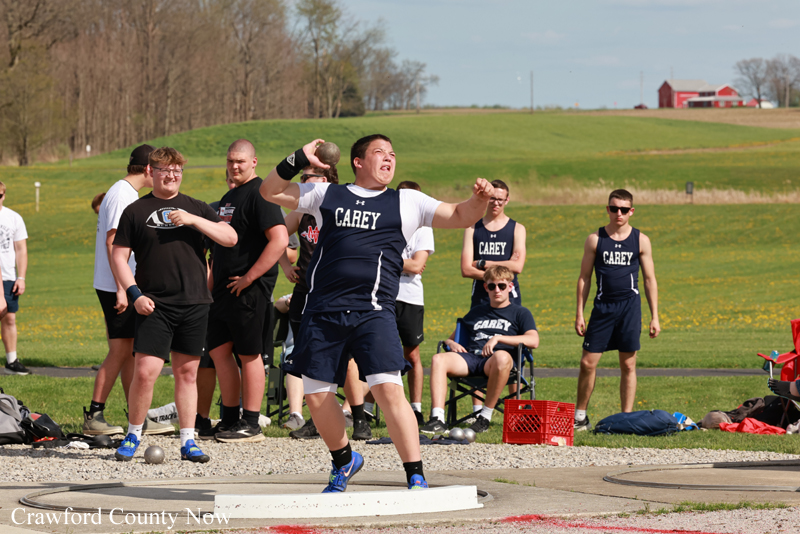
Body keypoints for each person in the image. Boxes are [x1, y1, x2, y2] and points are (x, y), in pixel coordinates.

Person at [260, 134, 494, 492]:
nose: (389, 159)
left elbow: (461, 215)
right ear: (357, 161)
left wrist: (478, 200)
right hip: (323, 310)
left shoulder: (408, 201)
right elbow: (270, 191)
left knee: (388, 390)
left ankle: (415, 473)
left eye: (393, 154)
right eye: (379, 153)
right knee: (317, 394)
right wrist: (297, 157)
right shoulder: (327, 195)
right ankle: (344, 459)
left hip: (373, 312)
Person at [110, 147, 237, 463]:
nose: (172, 176)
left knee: (187, 374)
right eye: (165, 170)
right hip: (154, 304)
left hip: (194, 303)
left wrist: (194, 219)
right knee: (145, 372)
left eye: (177, 170)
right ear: (151, 172)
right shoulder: (136, 211)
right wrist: (134, 293)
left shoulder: (196, 207)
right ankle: (133, 434)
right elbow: (118, 255)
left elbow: (230, 237)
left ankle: (188, 440)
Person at [84, 145, 174, 436]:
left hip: (118, 284)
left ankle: (136, 415)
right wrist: (124, 290)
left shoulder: (123, 192)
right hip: (116, 286)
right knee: (120, 350)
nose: (162, 174)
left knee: (130, 353)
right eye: (158, 169)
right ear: (148, 169)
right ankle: (94, 416)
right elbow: (114, 243)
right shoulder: (123, 195)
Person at [204, 139, 288, 443]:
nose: (234, 166)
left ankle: (250, 422)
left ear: (254, 162)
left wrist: (250, 278)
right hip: (223, 290)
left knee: (249, 354)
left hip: (248, 288)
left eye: (240, 161)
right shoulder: (230, 196)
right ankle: (229, 418)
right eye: (230, 160)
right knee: (219, 351)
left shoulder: (261, 194)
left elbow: (279, 240)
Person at [574, 189, 660, 431]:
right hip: (602, 307)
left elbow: (649, 280)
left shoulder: (641, 240)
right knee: (588, 363)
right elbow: (584, 278)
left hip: (629, 308)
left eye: (624, 209)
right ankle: (580, 417)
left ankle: (626, 419)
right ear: (607, 209)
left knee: (628, 364)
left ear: (631, 211)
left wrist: (655, 316)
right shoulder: (595, 239)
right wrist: (579, 313)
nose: (618, 213)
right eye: (614, 208)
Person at [422, 265, 539, 435]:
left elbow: (533, 340)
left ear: (510, 287)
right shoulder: (476, 312)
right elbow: (450, 338)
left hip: (496, 363)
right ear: (486, 288)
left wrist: (498, 338)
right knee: (438, 358)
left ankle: (484, 417)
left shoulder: (520, 313)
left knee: (502, 357)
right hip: (471, 358)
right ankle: (437, 419)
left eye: (502, 286)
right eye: (492, 286)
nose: (496, 290)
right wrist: (451, 343)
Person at [395, 181, 434, 425]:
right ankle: (369, 406)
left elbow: (417, 265)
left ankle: (416, 407)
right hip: (384, 295)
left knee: (412, 354)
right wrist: (405, 263)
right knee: (378, 352)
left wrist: (386, 260)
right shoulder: (387, 224)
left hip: (410, 297)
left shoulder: (423, 227)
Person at [461, 179, 526, 309]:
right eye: (492, 198)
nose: (496, 203)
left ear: (506, 200)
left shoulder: (517, 229)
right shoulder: (472, 228)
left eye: (500, 199)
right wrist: (505, 269)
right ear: (486, 198)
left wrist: (483, 264)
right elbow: (466, 269)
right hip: (481, 296)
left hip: (509, 296)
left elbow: (518, 267)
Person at [0, 182, 28, 376]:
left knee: (9, 318)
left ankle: (11, 360)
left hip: (8, 275)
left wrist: (21, 277)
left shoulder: (13, 218)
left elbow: (21, 249)